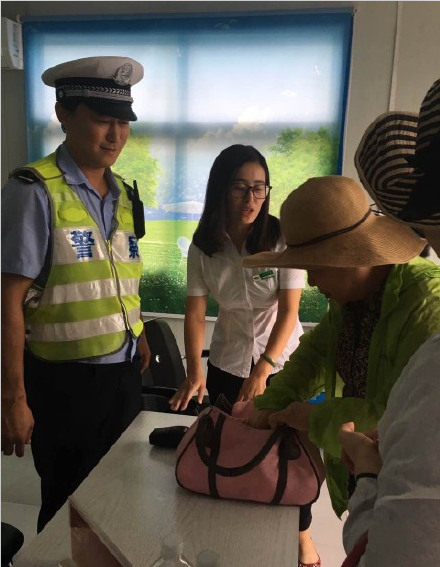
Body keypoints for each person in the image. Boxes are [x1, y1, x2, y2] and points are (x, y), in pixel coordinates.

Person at [243, 174, 440, 567]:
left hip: (412, 498)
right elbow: (314, 355)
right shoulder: (352, 298)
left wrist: (313, 418)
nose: (312, 281)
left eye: (317, 267)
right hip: (365, 476)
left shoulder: (425, 307)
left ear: (356, 256)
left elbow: (394, 422)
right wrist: (268, 405)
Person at [1, 55, 151, 532]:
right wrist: (13, 397)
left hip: (124, 375)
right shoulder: (33, 190)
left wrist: (140, 332)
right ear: (63, 114)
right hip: (65, 385)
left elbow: (119, 278)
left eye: (123, 123)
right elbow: (7, 301)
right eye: (102, 120)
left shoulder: (125, 194)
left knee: (120, 501)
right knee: (69, 511)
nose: (115, 136)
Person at [339, 77, 440, 566]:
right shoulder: (350, 306)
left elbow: (389, 552)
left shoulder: (422, 305)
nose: (312, 281)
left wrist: (368, 473)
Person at [169, 144, 305, 411]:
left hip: (281, 362)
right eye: (239, 187)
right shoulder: (203, 248)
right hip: (228, 362)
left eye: (258, 188)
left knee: (278, 433)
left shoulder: (282, 239)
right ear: (221, 189)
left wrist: (263, 368)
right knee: (227, 432)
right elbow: (195, 313)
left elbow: (289, 310)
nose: (250, 199)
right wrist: (194, 370)